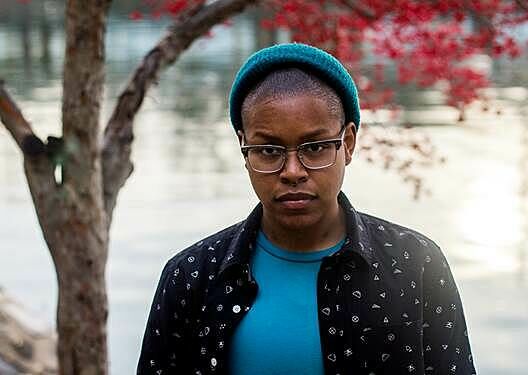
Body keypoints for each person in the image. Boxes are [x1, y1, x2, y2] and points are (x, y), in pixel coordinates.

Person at [137, 43, 476, 375]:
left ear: (348, 143)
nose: (292, 172)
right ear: (244, 150)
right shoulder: (192, 276)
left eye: (314, 148)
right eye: (269, 150)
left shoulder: (416, 265)